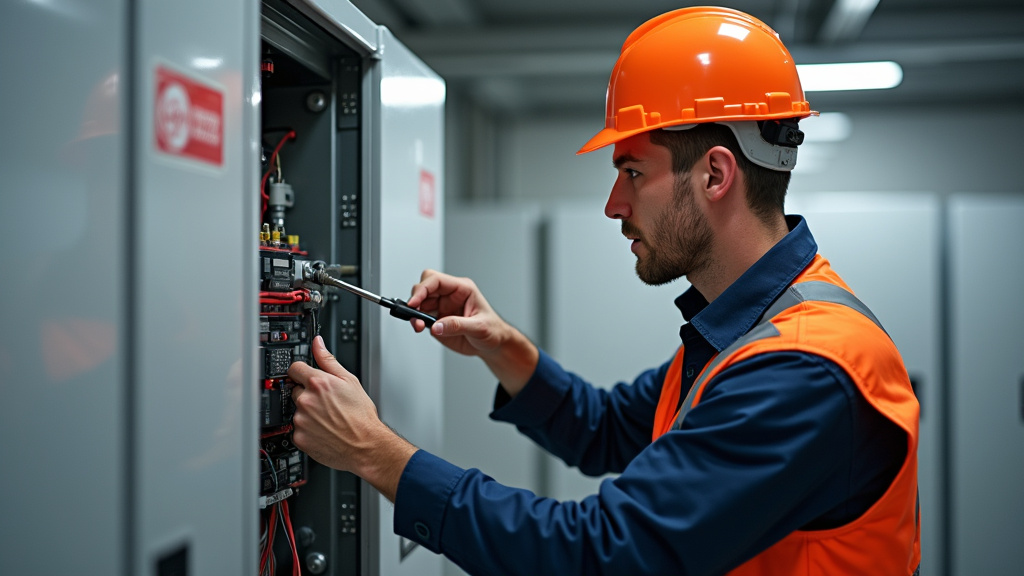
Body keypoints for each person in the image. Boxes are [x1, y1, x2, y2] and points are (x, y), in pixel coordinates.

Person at [288, 6, 921, 575]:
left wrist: (377, 455)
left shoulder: (802, 370)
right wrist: (501, 345)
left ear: (715, 174)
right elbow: (609, 427)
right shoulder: (750, 334)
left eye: (632, 172)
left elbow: (596, 553)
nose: (614, 204)